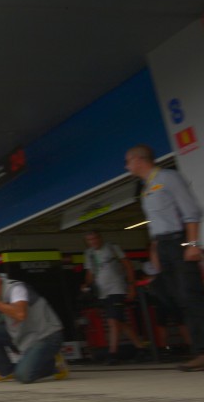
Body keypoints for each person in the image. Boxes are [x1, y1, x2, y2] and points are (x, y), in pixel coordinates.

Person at [125, 144, 204, 371]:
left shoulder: (169, 178)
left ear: (139, 160)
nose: (126, 166)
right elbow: (156, 226)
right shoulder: (145, 187)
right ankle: (197, 348)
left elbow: (191, 212)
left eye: (128, 162)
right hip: (163, 246)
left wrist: (192, 245)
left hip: (179, 242)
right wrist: (156, 253)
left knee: (190, 295)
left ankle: (202, 351)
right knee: (175, 297)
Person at [0, 266, 69, 384]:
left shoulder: (16, 288)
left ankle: (55, 365)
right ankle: (6, 371)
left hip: (46, 335)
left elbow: (20, 314)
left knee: (23, 376)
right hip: (26, 334)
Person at [82, 230, 148, 365]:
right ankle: (141, 348)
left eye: (95, 238)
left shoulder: (112, 247)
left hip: (117, 288)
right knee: (120, 322)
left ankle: (113, 354)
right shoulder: (88, 254)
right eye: (90, 240)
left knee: (112, 321)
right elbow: (90, 273)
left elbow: (127, 265)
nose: (93, 242)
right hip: (102, 292)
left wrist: (131, 285)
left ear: (100, 238)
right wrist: (86, 285)